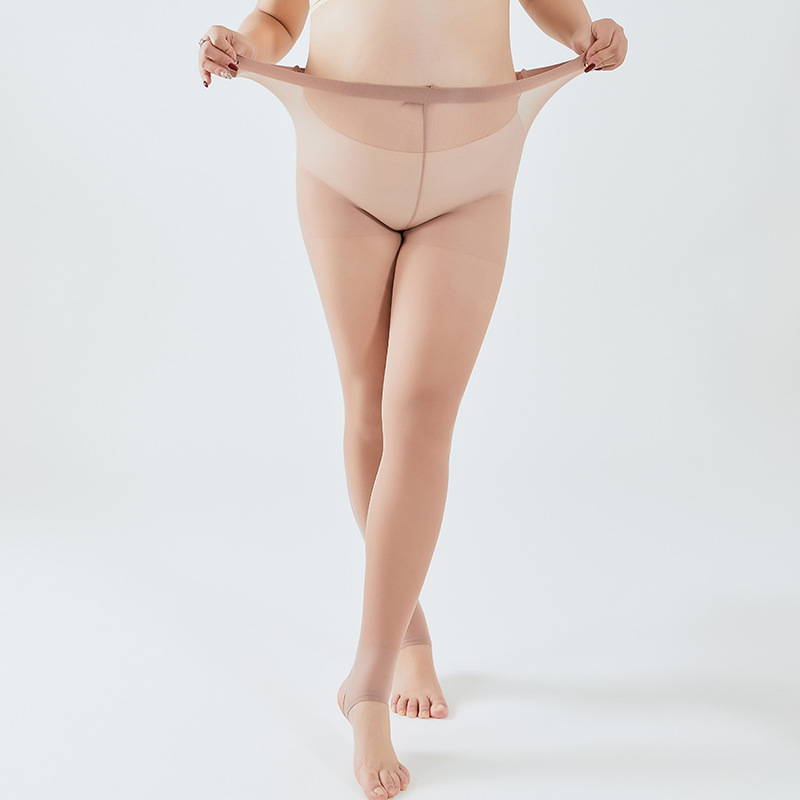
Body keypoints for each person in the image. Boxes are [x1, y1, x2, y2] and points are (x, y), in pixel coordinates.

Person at [197, 2, 627, 797]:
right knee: (368, 406)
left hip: (475, 162)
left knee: (422, 417)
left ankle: (366, 679)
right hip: (345, 157)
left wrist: (583, 33)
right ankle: (409, 628)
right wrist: (242, 44)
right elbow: (279, 17)